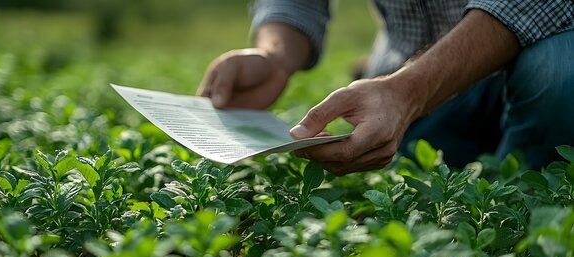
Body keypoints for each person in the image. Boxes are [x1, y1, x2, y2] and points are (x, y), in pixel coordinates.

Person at [197, 0, 574, 174]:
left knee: (558, 69)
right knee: (413, 175)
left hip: (524, 59)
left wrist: (407, 91)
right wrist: (274, 56)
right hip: (404, 77)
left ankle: (530, 195)